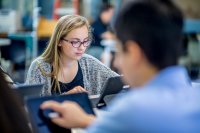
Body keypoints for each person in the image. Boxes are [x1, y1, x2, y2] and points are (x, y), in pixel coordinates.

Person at [40, 0, 200, 132]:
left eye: (118, 51)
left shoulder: (133, 110)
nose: (116, 62)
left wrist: (82, 120)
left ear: (133, 52)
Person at [26, 15, 118, 96]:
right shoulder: (39, 68)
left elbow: (120, 82)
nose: (82, 47)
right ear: (59, 41)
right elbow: (30, 107)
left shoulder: (90, 64)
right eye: (75, 42)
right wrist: (65, 98)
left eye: (85, 41)